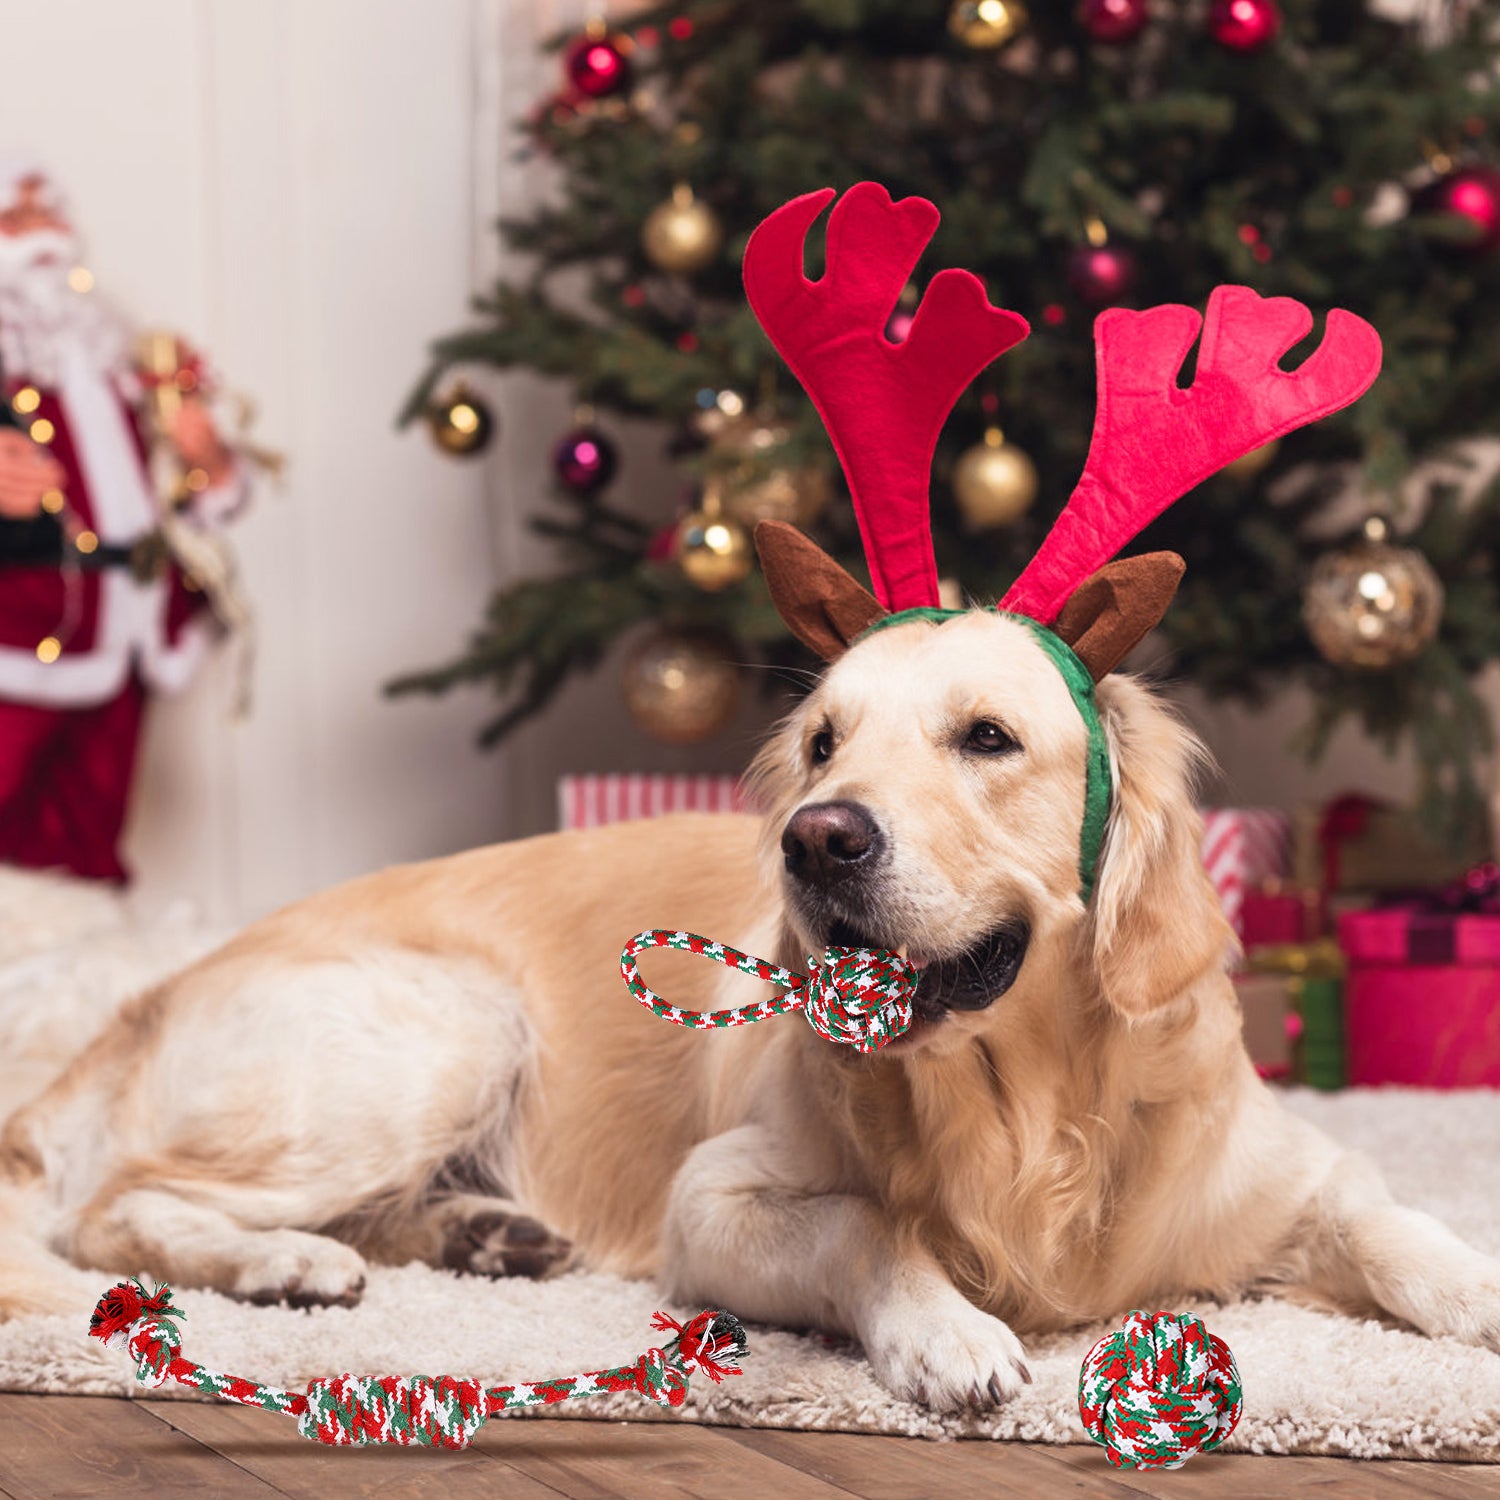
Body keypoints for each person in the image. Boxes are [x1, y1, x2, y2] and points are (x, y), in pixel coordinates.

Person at [0, 159, 249, 882]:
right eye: (16, 219)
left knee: (92, 831)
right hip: (24, 621)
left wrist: (207, 462)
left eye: (50, 214)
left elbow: (168, 485)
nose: (43, 235)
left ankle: (87, 946)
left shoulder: (115, 346)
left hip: (128, 620)